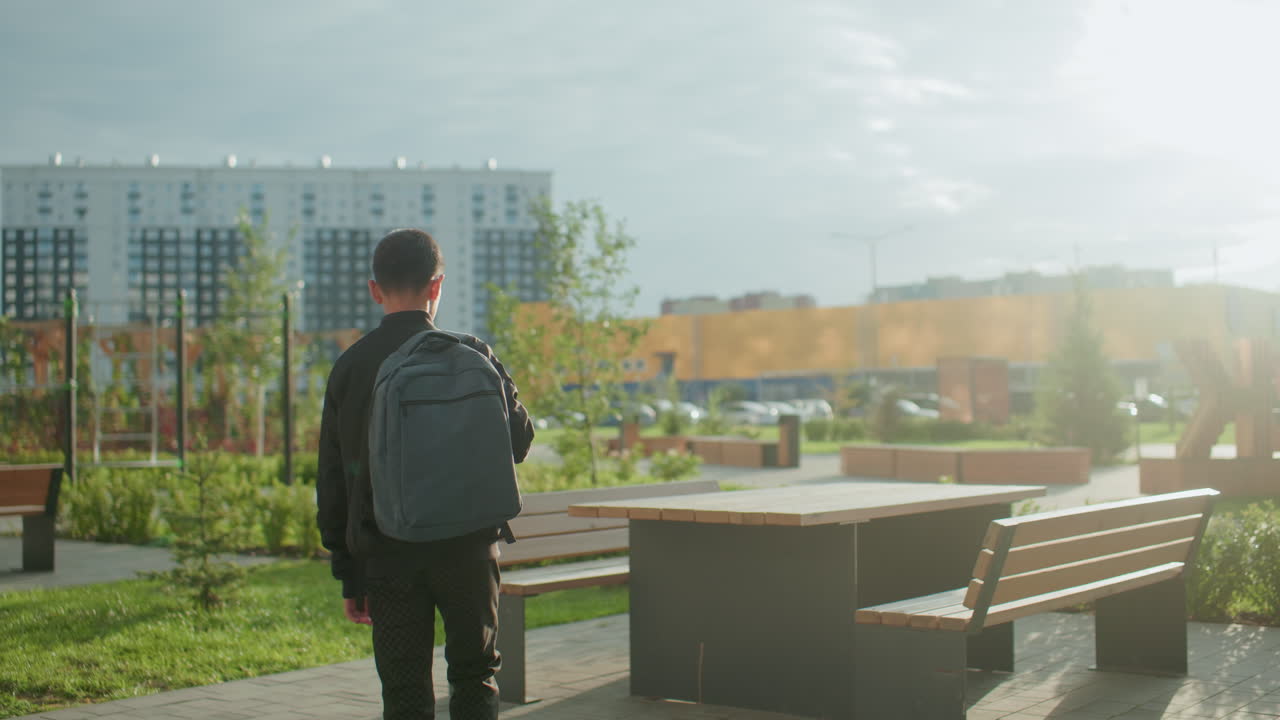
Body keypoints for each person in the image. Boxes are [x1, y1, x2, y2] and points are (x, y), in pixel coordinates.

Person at [317, 228, 535, 720]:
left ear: (375, 289)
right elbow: (519, 443)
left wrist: (348, 572)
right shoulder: (474, 355)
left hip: (388, 553)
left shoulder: (351, 367)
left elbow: (336, 478)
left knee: (404, 688)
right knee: (475, 674)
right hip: (469, 549)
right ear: (437, 286)